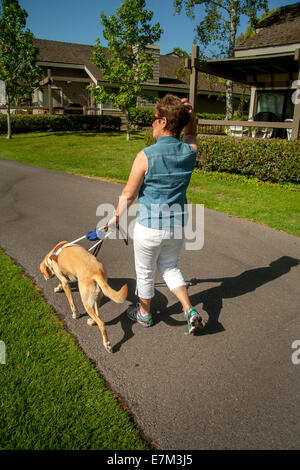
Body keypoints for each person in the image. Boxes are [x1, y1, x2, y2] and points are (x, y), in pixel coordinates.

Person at [109, 94, 203, 334]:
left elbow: (129, 195)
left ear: (162, 122)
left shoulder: (146, 155)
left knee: (145, 272)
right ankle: (189, 310)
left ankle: (145, 314)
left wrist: (116, 216)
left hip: (149, 228)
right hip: (177, 226)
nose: (151, 124)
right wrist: (189, 117)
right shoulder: (189, 152)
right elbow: (191, 134)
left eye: (154, 119)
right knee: (170, 267)